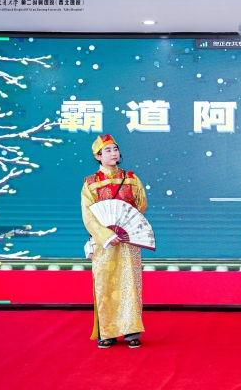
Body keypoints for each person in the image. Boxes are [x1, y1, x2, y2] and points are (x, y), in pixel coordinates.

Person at [81, 134, 148, 349]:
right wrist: (106, 235)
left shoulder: (132, 179)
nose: (113, 153)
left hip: (128, 240)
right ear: (97, 156)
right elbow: (88, 215)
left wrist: (127, 226)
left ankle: (131, 331)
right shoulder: (90, 183)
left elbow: (141, 205)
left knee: (130, 283)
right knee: (105, 284)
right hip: (104, 243)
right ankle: (107, 332)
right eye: (107, 150)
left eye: (115, 149)